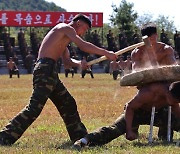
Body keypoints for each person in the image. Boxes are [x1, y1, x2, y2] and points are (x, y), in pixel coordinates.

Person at [0, 14, 117, 146]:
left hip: (50, 72)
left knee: (68, 103)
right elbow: (83, 45)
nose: (83, 33)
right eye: (84, 29)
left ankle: (80, 137)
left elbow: (67, 62)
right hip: (45, 69)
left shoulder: (63, 42)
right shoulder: (64, 28)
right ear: (78, 23)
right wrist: (106, 52)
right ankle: (4, 136)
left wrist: (80, 64)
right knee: (34, 108)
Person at [73, 22, 180, 149]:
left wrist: (154, 60)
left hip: (163, 106)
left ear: (156, 36)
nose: (151, 41)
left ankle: (164, 133)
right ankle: (85, 140)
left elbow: (172, 72)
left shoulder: (166, 50)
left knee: (172, 118)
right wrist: (129, 130)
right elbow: (137, 76)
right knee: (115, 128)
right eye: (147, 39)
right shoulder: (137, 53)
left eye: (152, 38)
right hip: (142, 104)